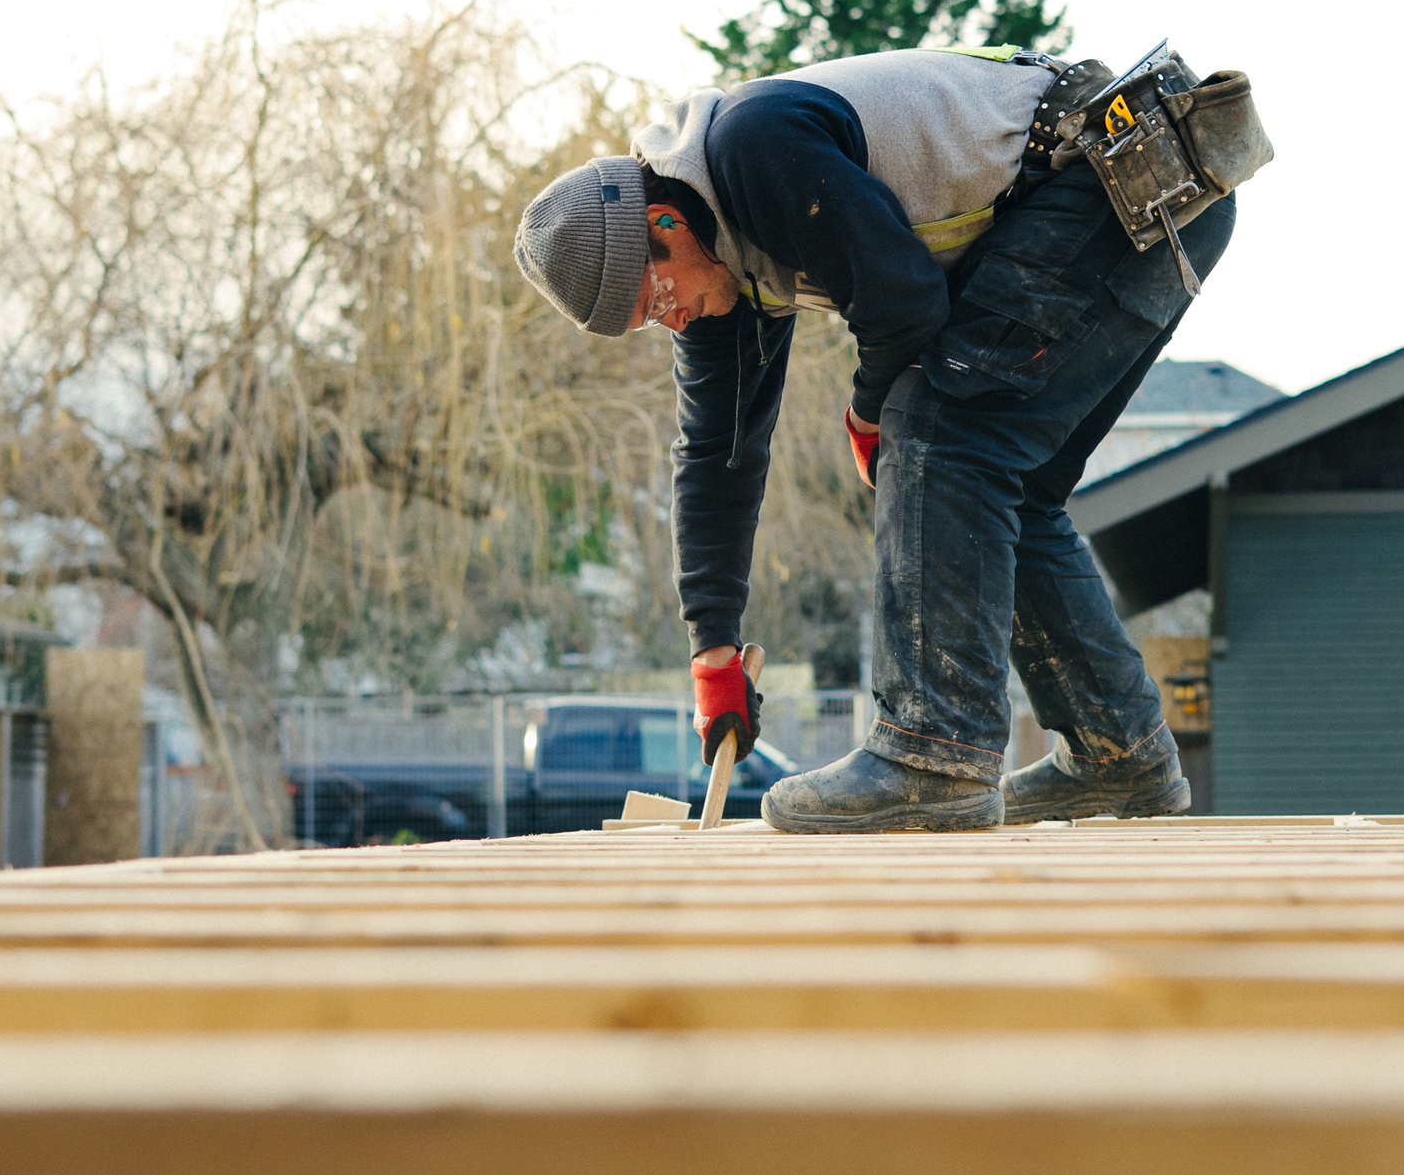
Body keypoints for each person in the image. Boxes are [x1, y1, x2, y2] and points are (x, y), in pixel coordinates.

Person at [513, 45, 1237, 832]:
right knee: (1004, 486)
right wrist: (712, 648)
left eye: (657, 297)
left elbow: (904, 305)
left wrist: (867, 417)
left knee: (939, 430)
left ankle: (932, 754)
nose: (671, 318)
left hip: (1128, 175)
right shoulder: (716, 273)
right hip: (1141, 201)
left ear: (665, 223)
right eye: (648, 323)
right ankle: (1119, 758)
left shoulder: (752, 149)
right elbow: (715, 459)